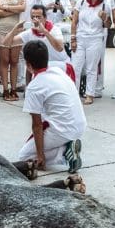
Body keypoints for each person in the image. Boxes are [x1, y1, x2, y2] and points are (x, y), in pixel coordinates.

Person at [17, 41, 87, 173]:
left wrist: (40, 155)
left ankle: (65, 152)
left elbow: (36, 125)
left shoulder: (35, 86)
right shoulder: (57, 70)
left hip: (64, 129)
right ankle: (66, 147)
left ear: (28, 64)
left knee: (24, 157)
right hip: (80, 124)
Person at [71, 0, 111, 105]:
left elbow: (109, 25)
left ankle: (89, 94)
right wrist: (73, 38)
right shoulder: (81, 2)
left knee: (91, 68)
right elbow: (74, 21)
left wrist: (105, 18)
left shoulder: (105, 5)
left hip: (95, 39)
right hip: (80, 38)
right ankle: (73, 93)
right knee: (75, 67)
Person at [4, 4, 71, 78]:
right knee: (31, 66)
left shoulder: (54, 29)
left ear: (45, 18)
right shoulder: (29, 32)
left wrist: (45, 32)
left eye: (38, 17)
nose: (35, 20)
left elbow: (60, 48)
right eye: (33, 17)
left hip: (59, 65)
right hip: (42, 68)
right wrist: (15, 29)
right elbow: (6, 43)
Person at [0, 0, 25, 101]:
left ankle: (14, 89)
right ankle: (5, 90)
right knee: (4, 60)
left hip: (17, 28)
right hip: (2, 29)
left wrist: (6, 7)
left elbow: (23, 8)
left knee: (14, 60)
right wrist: (14, 9)